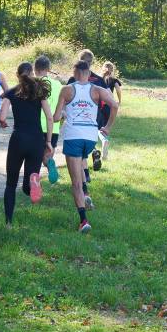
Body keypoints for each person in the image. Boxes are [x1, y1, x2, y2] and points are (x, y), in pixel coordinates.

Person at [53, 60, 119, 233]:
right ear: (89, 74)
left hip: (73, 135)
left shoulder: (67, 90)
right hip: (90, 137)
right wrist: (107, 127)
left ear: (74, 73)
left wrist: (64, 113)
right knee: (82, 161)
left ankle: (83, 221)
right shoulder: (98, 90)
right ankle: (86, 192)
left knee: (75, 182)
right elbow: (115, 105)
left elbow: (56, 117)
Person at [0, 62, 54, 227]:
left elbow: (2, 117)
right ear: (32, 74)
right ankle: (33, 181)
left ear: (18, 75)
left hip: (18, 139)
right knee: (27, 186)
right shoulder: (39, 91)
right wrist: (48, 141)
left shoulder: (11, 92)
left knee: (11, 184)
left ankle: (8, 223)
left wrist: (3, 122)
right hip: (36, 140)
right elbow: (49, 118)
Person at [67, 49, 109, 174]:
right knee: (87, 140)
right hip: (92, 115)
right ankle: (93, 153)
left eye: (89, 61)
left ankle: (84, 175)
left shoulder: (74, 79)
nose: (88, 63)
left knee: (80, 143)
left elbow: (66, 97)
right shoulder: (98, 79)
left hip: (80, 115)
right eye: (88, 61)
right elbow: (109, 99)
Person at [34, 55, 62, 184]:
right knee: (47, 156)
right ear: (48, 69)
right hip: (53, 127)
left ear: (35, 68)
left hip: (37, 125)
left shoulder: (34, 83)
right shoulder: (58, 85)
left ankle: (35, 182)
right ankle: (50, 163)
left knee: (34, 158)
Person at [99, 61, 122, 160]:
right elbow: (118, 89)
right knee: (106, 127)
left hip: (99, 106)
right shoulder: (114, 80)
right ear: (113, 70)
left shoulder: (99, 79)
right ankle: (105, 143)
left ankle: (102, 140)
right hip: (109, 106)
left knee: (97, 127)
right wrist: (119, 101)